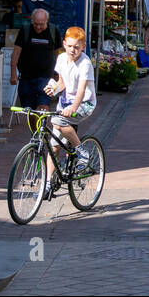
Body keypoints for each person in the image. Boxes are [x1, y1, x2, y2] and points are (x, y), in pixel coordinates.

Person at [42, 26, 97, 197]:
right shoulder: (61, 58)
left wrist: (74, 108)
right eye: (70, 46)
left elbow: (81, 90)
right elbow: (63, 83)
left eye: (77, 47)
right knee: (54, 145)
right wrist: (54, 89)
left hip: (84, 103)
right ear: (64, 44)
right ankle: (48, 183)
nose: (73, 50)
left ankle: (82, 151)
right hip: (65, 103)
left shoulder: (85, 63)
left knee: (57, 123)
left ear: (83, 47)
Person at [10, 8, 61, 108]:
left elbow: (59, 54)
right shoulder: (25, 31)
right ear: (32, 20)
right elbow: (16, 53)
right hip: (26, 77)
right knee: (29, 109)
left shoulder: (53, 31)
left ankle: (42, 123)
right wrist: (13, 73)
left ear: (47, 21)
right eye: (35, 23)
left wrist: (58, 73)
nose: (38, 27)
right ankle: (35, 124)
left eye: (41, 24)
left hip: (46, 77)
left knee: (43, 105)